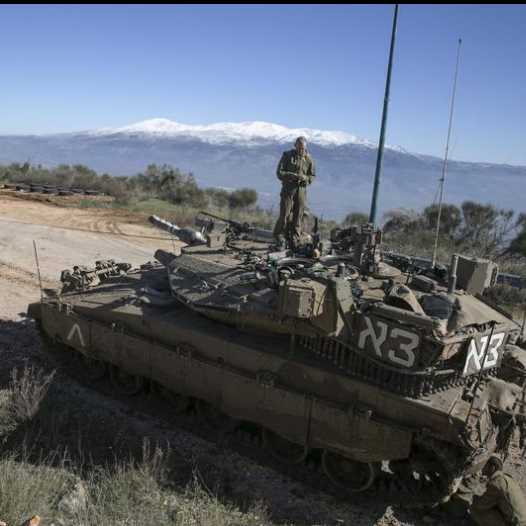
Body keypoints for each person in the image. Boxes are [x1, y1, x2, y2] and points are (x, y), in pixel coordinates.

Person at [272, 136, 316, 249]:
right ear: (295, 145)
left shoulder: (309, 159)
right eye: (299, 147)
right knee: (284, 215)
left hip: (301, 190)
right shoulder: (287, 155)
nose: (301, 149)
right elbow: (279, 172)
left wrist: (305, 178)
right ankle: (279, 237)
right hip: (288, 189)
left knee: (298, 216)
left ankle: (295, 239)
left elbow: (312, 176)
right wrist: (290, 175)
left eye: (303, 147)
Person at [470, 454, 526, 526]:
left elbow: (481, 505)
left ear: (492, 467)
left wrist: (471, 497)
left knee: (475, 510)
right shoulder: (505, 478)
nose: (482, 467)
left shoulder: (497, 483)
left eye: (484, 465)